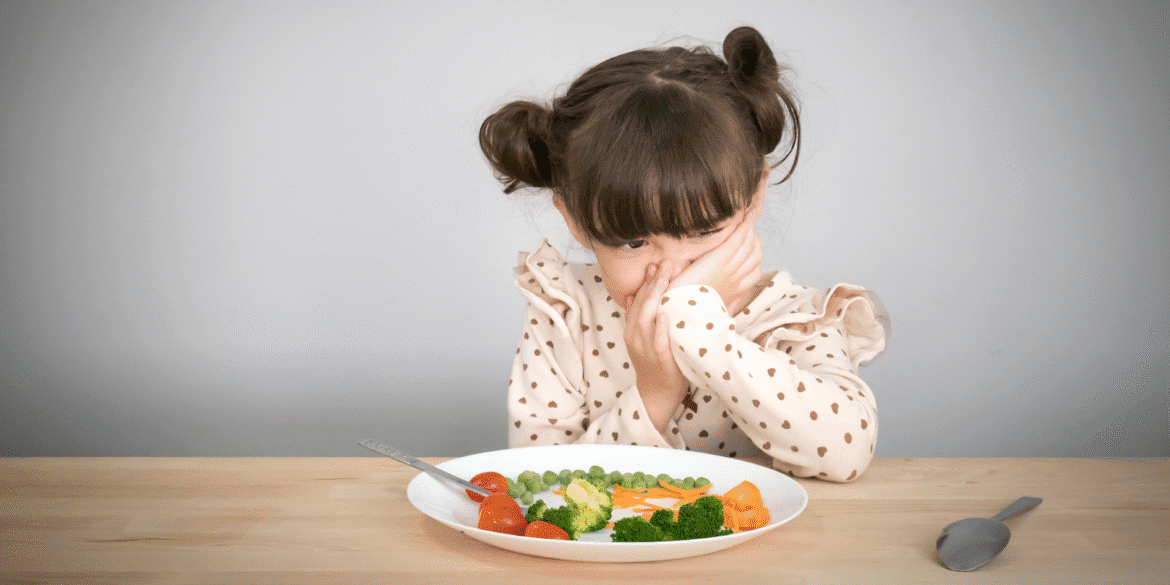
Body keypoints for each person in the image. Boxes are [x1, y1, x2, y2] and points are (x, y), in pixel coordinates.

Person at [478, 26, 889, 482]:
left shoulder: (793, 320)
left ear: (754, 197)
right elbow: (543, 484)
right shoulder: (565, 313)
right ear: (576, 222)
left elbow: (844, 453)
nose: (673, 274)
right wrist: (655, 395)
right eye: (634, 243)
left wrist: (703, 334)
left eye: (704, 234)